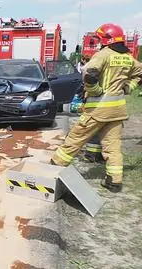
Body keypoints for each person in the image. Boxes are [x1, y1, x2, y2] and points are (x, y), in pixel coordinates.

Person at [50, 23, 142, 193]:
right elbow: (139, 74)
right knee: (112, 145)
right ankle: (114, 181)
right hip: (117, 110)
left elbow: (89, 74)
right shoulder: (129, 58)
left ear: (106, 40)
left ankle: (54, 166)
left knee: (76, 137)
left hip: (98, 109)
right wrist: (128, 87)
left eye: (100, 39)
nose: (99, 42)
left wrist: (96, 91)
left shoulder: (103, 55)